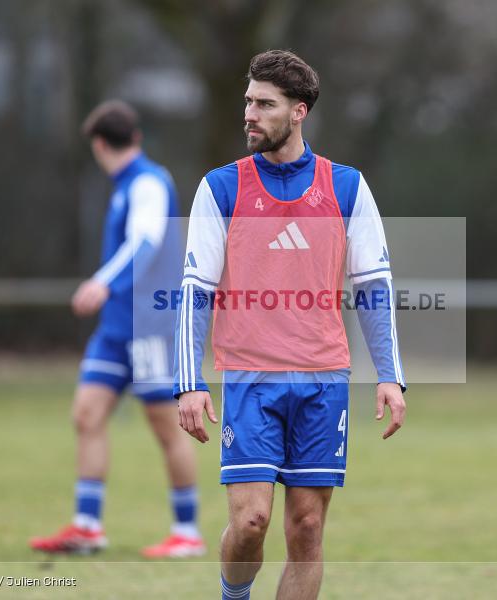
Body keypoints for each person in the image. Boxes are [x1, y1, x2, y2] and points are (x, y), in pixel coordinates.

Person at [174, 50, 406, 600]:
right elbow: (194, 293)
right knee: (251, 521)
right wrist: (188, 381)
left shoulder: (346, 187)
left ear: (299, 111)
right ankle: (235, 595)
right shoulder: (221, 188)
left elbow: (373, 288)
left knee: (306, 529)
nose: (249, 113)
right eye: (248, 101)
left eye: (265, 104)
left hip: (324, 381)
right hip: (251, 380)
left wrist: (390, 374)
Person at [29, 101, 204, 558]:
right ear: (137, 137)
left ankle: (186, 532)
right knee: (86, 414)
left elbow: (143, 243)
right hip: (114, 329)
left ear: (100, 145)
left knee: (166, 426)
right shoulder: (127, 184)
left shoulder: (147, 182)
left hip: (150, 325)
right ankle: (87, 526)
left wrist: (102, 282)